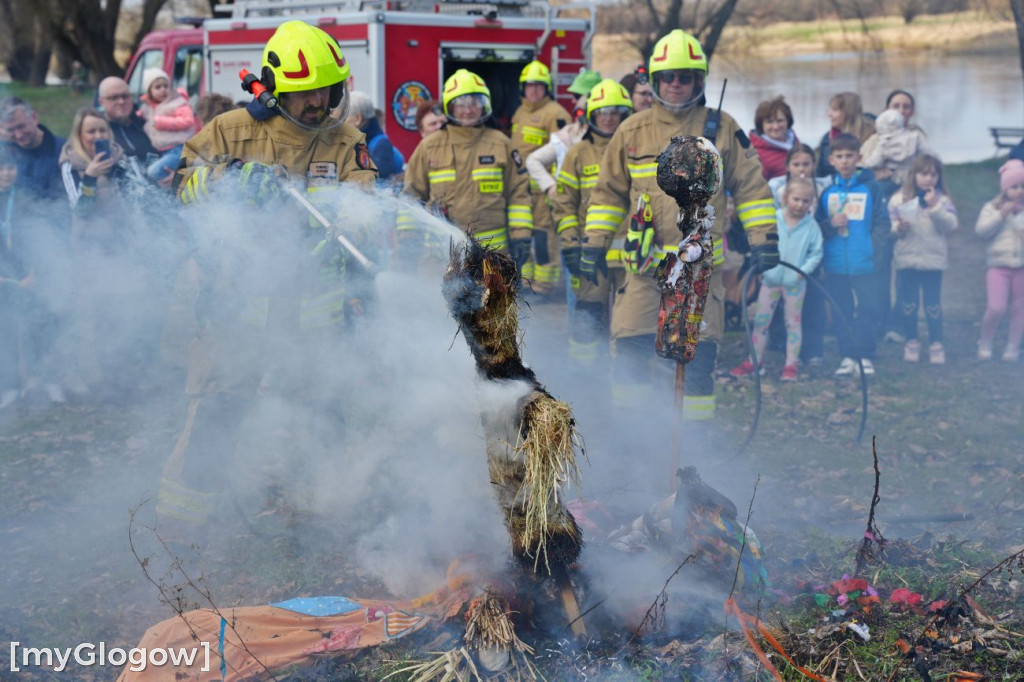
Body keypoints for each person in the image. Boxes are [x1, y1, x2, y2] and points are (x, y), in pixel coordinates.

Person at [158, 20, 378, 546]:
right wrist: (228, 178)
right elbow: (177, 187)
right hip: (241, 304)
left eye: (327, 89)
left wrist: (341, 223)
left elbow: (367, 206)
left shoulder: (347, 140)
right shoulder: (231, 130)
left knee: (320, 409)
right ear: (276, 88)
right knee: (221, 407)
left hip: (316, 311)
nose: (319, 102)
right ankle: (183, 525)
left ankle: (314, 513)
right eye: (305, 93)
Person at [582, 29, 779, 420]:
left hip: (700, 273)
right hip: (643, 272)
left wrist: (765, 239)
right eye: (668, 76)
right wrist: (593, 244)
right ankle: (632, 441)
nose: (676, 83)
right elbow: (607, 194)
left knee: (699, 361)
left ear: (700, 79)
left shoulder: (722, 127)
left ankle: (693, 449)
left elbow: (753, 189)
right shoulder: (631, 131)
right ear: (655, 81)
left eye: (685, 75)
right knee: (632, 355)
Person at [401, 69, 531, 261]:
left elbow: (519, 193)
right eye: (461, 104)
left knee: (491, 293)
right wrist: (408, 240)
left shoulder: (501, 143)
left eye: (474, 103)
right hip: (442, 254)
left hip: (492, 254)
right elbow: (411, 195)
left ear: (484, 105)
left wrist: (521, 236)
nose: (468, 110)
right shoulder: (429, 146)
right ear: (449, 107)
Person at [551, 78, 632, 369]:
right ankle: (584, 380)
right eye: (602, 111)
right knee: (587, 322)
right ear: (591, 115)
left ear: (625, 114)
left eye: (615, 110)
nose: (609, 116)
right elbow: (563, 205)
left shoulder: (635, 150)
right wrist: (571, 247)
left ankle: (626, 381)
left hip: (631, 258)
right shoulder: (578, 153)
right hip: (589, 256)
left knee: (630, 328)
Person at [730, 177, 823, 381]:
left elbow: (816, 253)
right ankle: (755, 361)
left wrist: (802, 271)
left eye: (806, 201)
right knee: (761, 323)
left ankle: (791, 365)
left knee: (793, 323)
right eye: (796, 199)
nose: (800, 205)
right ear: (786, 198)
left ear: (811, 203)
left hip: (795, 284)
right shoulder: (775, 219)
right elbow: (762, 242)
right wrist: (764, 266)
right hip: (770, 281)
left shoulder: (811, 226)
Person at [815, 133, 890, 377]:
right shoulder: (827, 192)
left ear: (858, 158)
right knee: (841, 310)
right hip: (835, 264)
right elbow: (817, 227)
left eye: (849, 156)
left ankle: (865, 355)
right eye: (839, 156)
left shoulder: (872, 188)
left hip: (865, 262)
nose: (845, 161)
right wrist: (829, 224)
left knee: (868, 308)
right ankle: (847, 355)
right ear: (831, 160)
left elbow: (882, 223)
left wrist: (874, 253)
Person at [510, 60, 572, 296]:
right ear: (522, 88)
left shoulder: (556, 113)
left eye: (539, 85)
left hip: (544, 190)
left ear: (547, 88)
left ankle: (546, 286)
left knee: (544, 239)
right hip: (521, 189)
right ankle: (526, 283)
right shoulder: (520, 112)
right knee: (523, 237)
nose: (534, 90)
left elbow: (564, 152)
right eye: (529, 85)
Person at [888, 154, 957, 364]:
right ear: (914, 175)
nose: (929, 179)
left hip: (932, 262)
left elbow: (951, 226)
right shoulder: (898, 199)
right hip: (907, 260)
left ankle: (936, 342)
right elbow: (891, 228)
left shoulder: (943, 201)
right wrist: (898, 228)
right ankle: (912, 340)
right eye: (924, 174)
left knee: (932, 304)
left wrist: (935, 207)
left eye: (933, 174)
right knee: (908, 304)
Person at [767, 144, 831, 364]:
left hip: (811, 253)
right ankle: (779, 343)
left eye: (806, 164)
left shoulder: (822, 188)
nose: (802, 169)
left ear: (814, 165)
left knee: (812, 303)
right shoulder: (778, 189)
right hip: (786, 255)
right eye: (797, 164)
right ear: (788, 167)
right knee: (779, 304)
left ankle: (812, 350)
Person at [523, 70, 600, 208]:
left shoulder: (617, 135)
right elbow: (533, 161)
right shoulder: (567, 135)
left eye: (577, 96)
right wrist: (551, 187)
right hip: (568, 210)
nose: (573, 101)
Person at [975, 159, 1024, 362]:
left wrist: (1018, 219)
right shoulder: (992, 207)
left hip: (1021, 266)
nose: (1019, 191)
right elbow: (981, 231)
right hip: (998, 266)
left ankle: (1013, 345)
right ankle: (985, 340)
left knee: (1020, 308)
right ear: (1005, 188)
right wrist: (1001, 215)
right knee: (996, 307)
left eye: (1023, 187)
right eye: (1014, 187)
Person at [137, 68, 200, 183]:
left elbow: (188, 121)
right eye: (157, 87)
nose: (163, 90)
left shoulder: (178, 102)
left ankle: (170, 192)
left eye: (165, 86)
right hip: (162, 151)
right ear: (149, 91)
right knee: (154, 173)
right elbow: (139, 116)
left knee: (153, 172)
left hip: (179, 149)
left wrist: (161, 122)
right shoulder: (148, 107)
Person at [0, 97, 67, 202]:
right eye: (10, 130)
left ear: (34, 118)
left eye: (21, 126)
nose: (18, 135)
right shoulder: (4, 153)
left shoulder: (63, 150)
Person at [861, 108, 934, 193]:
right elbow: (929, 155)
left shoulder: (884, 142)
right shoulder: (915, 137)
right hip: (913, 177)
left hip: (892, 178)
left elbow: (875, 161)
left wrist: (866, 165)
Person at [97, 77, 158, 171]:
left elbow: (181, 150)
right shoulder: (98, 132)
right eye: (114, 98)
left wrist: (178, 175)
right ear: (101, 102)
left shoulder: (149, 119)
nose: (121, 101)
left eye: (125, 96)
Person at [346, 90, 404, 183]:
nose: (341, 123)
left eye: (344, 117)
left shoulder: (380, 145)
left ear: (357, 119)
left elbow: (381, 185)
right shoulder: (362, 142)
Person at [816, 92, 875, 178]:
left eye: (835, 111)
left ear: (848, 113)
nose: (829, 114)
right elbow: (824, 171)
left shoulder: (872, 137)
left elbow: (871, 168)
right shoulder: (827, 139)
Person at [749, 96, 799, 181]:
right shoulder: (753, 152)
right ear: (761, 125)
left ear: (788, 121)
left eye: (780, 121)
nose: (775, 127)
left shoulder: (795, 142)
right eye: (769, 122)